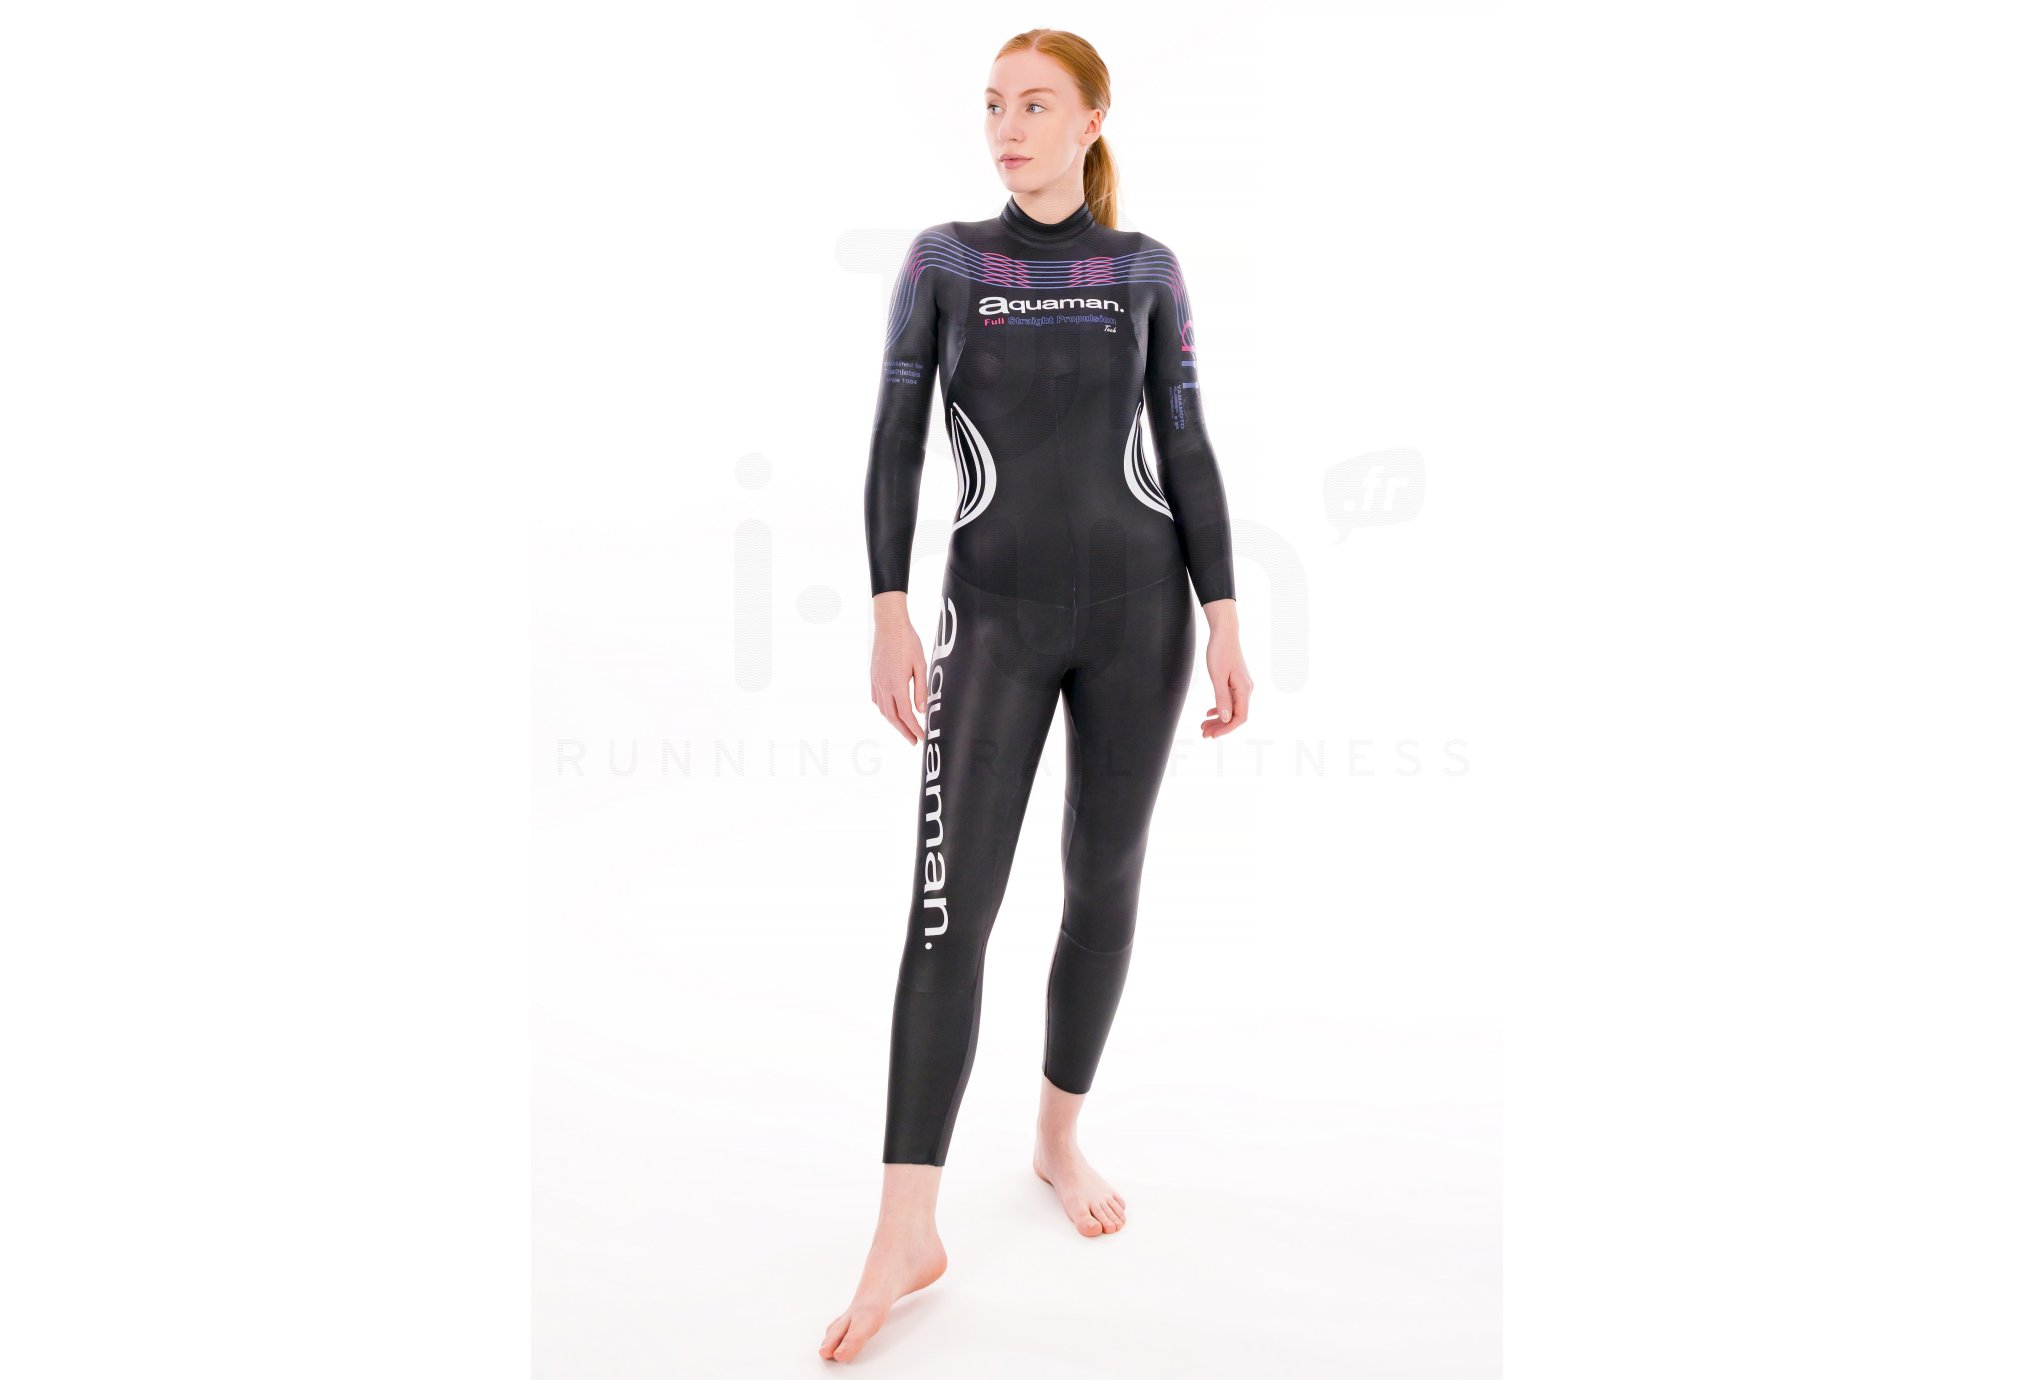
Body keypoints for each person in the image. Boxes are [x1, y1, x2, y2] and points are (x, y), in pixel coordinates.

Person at [822, 28, 1255, 1364]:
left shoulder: (1145, 270)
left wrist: (1224, 613)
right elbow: (895, 437)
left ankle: (1059, 1140)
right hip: (995, 621)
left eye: (1034, 105)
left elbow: (1185, 438)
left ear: (1090, 122)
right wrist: (889, 607)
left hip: (1141, 618)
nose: (1006, 128)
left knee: (1102, 885)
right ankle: (907, 1227)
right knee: (947, 910)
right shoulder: (946, 262)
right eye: (993, 106)